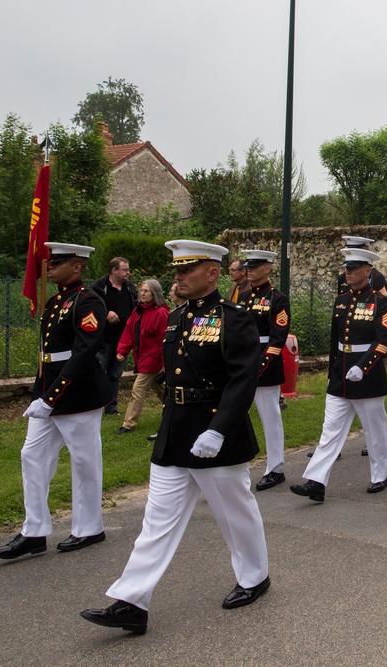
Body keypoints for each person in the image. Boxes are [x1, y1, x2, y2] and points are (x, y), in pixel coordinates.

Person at [81, 240, 269, 634]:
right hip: (175, 429)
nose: (178, 276)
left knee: (235, 513)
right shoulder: (175, 317)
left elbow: (242, 380)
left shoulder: (234, 317)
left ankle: (254, 577)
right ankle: (132, 600)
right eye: (177, 269)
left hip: (215, 430)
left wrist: (218, 430)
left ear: (213, 273)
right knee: (157, 521)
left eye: (187, 269)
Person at [0, 243, 113, 560]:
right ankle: (34, 531)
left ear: (77, 267)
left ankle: (88, 528)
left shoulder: (88, 302)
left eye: (57, 263)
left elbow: (84, 353)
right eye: (50, 262)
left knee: (84, 463)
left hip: (78, 393)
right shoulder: (55, 300)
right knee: (31, 456)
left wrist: (53, 396)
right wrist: (43, 395)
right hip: (48, 390)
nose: (50, 267)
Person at [290, 247, 387, 502]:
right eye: (347, 268)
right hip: (340, 374)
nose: (348, 272)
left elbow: (383, 340)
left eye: (354, 268)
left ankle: (380, 475)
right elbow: (335, 341)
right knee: (330, 430)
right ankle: (316, 481)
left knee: (374, 429)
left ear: (368, 270)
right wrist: (332, 371)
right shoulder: (341, 300)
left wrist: (363, 366)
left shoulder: (381, 302)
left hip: (367, 375)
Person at [236, 250, 292, 491]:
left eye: (255, 265)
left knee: (270, 418)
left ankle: (275, 468)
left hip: (264, 365)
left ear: (268, 268)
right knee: (235, 416)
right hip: (241, 363)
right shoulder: (244, 295)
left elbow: (278, 338)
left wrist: (260, 365)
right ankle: (234, 470)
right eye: (248, 265)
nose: (249, 269)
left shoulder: (277, 298)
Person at [114, 279, 169, 435]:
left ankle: (128, 424)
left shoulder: (160, 313)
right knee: (159, 389)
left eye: (146, 291)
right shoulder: (138, 311)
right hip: (142, 357)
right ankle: (175, 409)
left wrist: (164, 362)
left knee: (137, 390)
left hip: (152, 359)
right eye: (142, 290)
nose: (142, 293)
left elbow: (164, 340)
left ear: (155, 293)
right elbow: (129, 331)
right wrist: (122, 350)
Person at [90, 257, 137, 415]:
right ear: (113, 270)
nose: (127, 273)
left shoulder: (130, 289)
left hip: (122, 341)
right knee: (97, 374)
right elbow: (90, 308)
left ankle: (111, 407)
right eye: (124, 270)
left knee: (115, 375)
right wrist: (105, 313)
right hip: (103, 341)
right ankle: (94, 406)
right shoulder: (98, 288)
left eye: (128, 269)